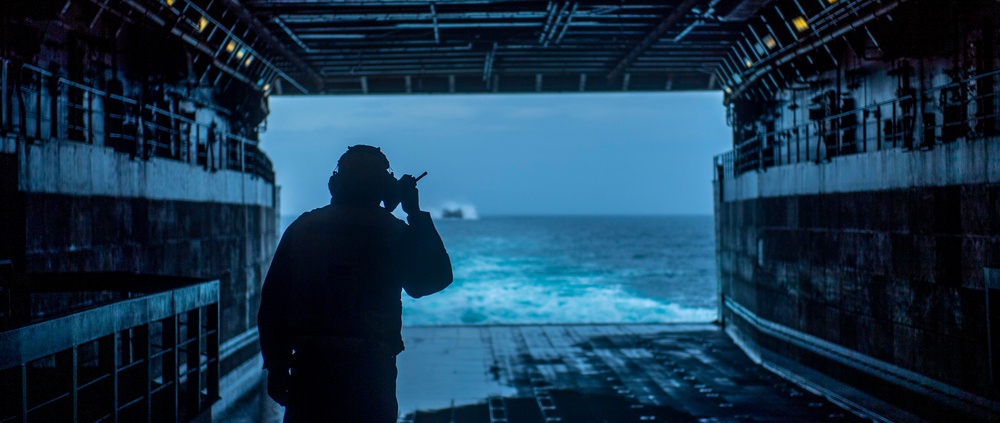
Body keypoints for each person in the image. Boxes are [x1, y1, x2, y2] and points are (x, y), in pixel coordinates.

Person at [257, 145, 453, 422]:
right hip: (371, 373)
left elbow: (274, 304)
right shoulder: (395, 232)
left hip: (311, 371)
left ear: (335, 184)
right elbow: (431, 280)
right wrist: (414, 212)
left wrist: (277, 367)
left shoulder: (303, 228)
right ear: (385, 187)